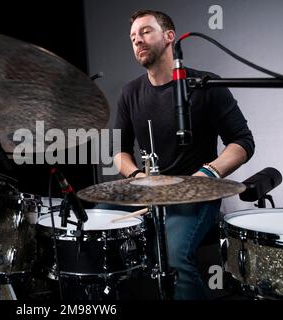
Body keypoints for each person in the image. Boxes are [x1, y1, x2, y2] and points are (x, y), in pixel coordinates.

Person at [111, 10, 255, 299]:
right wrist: (139, 177)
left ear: (169, 37)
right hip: (148, 192)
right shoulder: (130, 93)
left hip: (197, 195)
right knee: (96, 226)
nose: (137, 40)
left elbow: (242, 142)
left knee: (173, 256)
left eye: (146, 32)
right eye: (133, 37)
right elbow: (118, 152)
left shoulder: (205, 85)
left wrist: (207, 174)